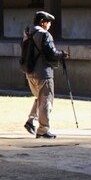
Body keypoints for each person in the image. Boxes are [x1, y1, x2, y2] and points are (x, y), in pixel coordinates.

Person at [23, 10, 68, 140]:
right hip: (43, 72)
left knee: (39, 98)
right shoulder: (44, 35)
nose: (49, 26)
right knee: (46, 101)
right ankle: (43, 129)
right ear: (43, 22)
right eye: (48, 23)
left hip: (30, 72)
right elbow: (51, 53)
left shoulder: (27, 33)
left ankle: (31, 121)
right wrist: (62, 54)